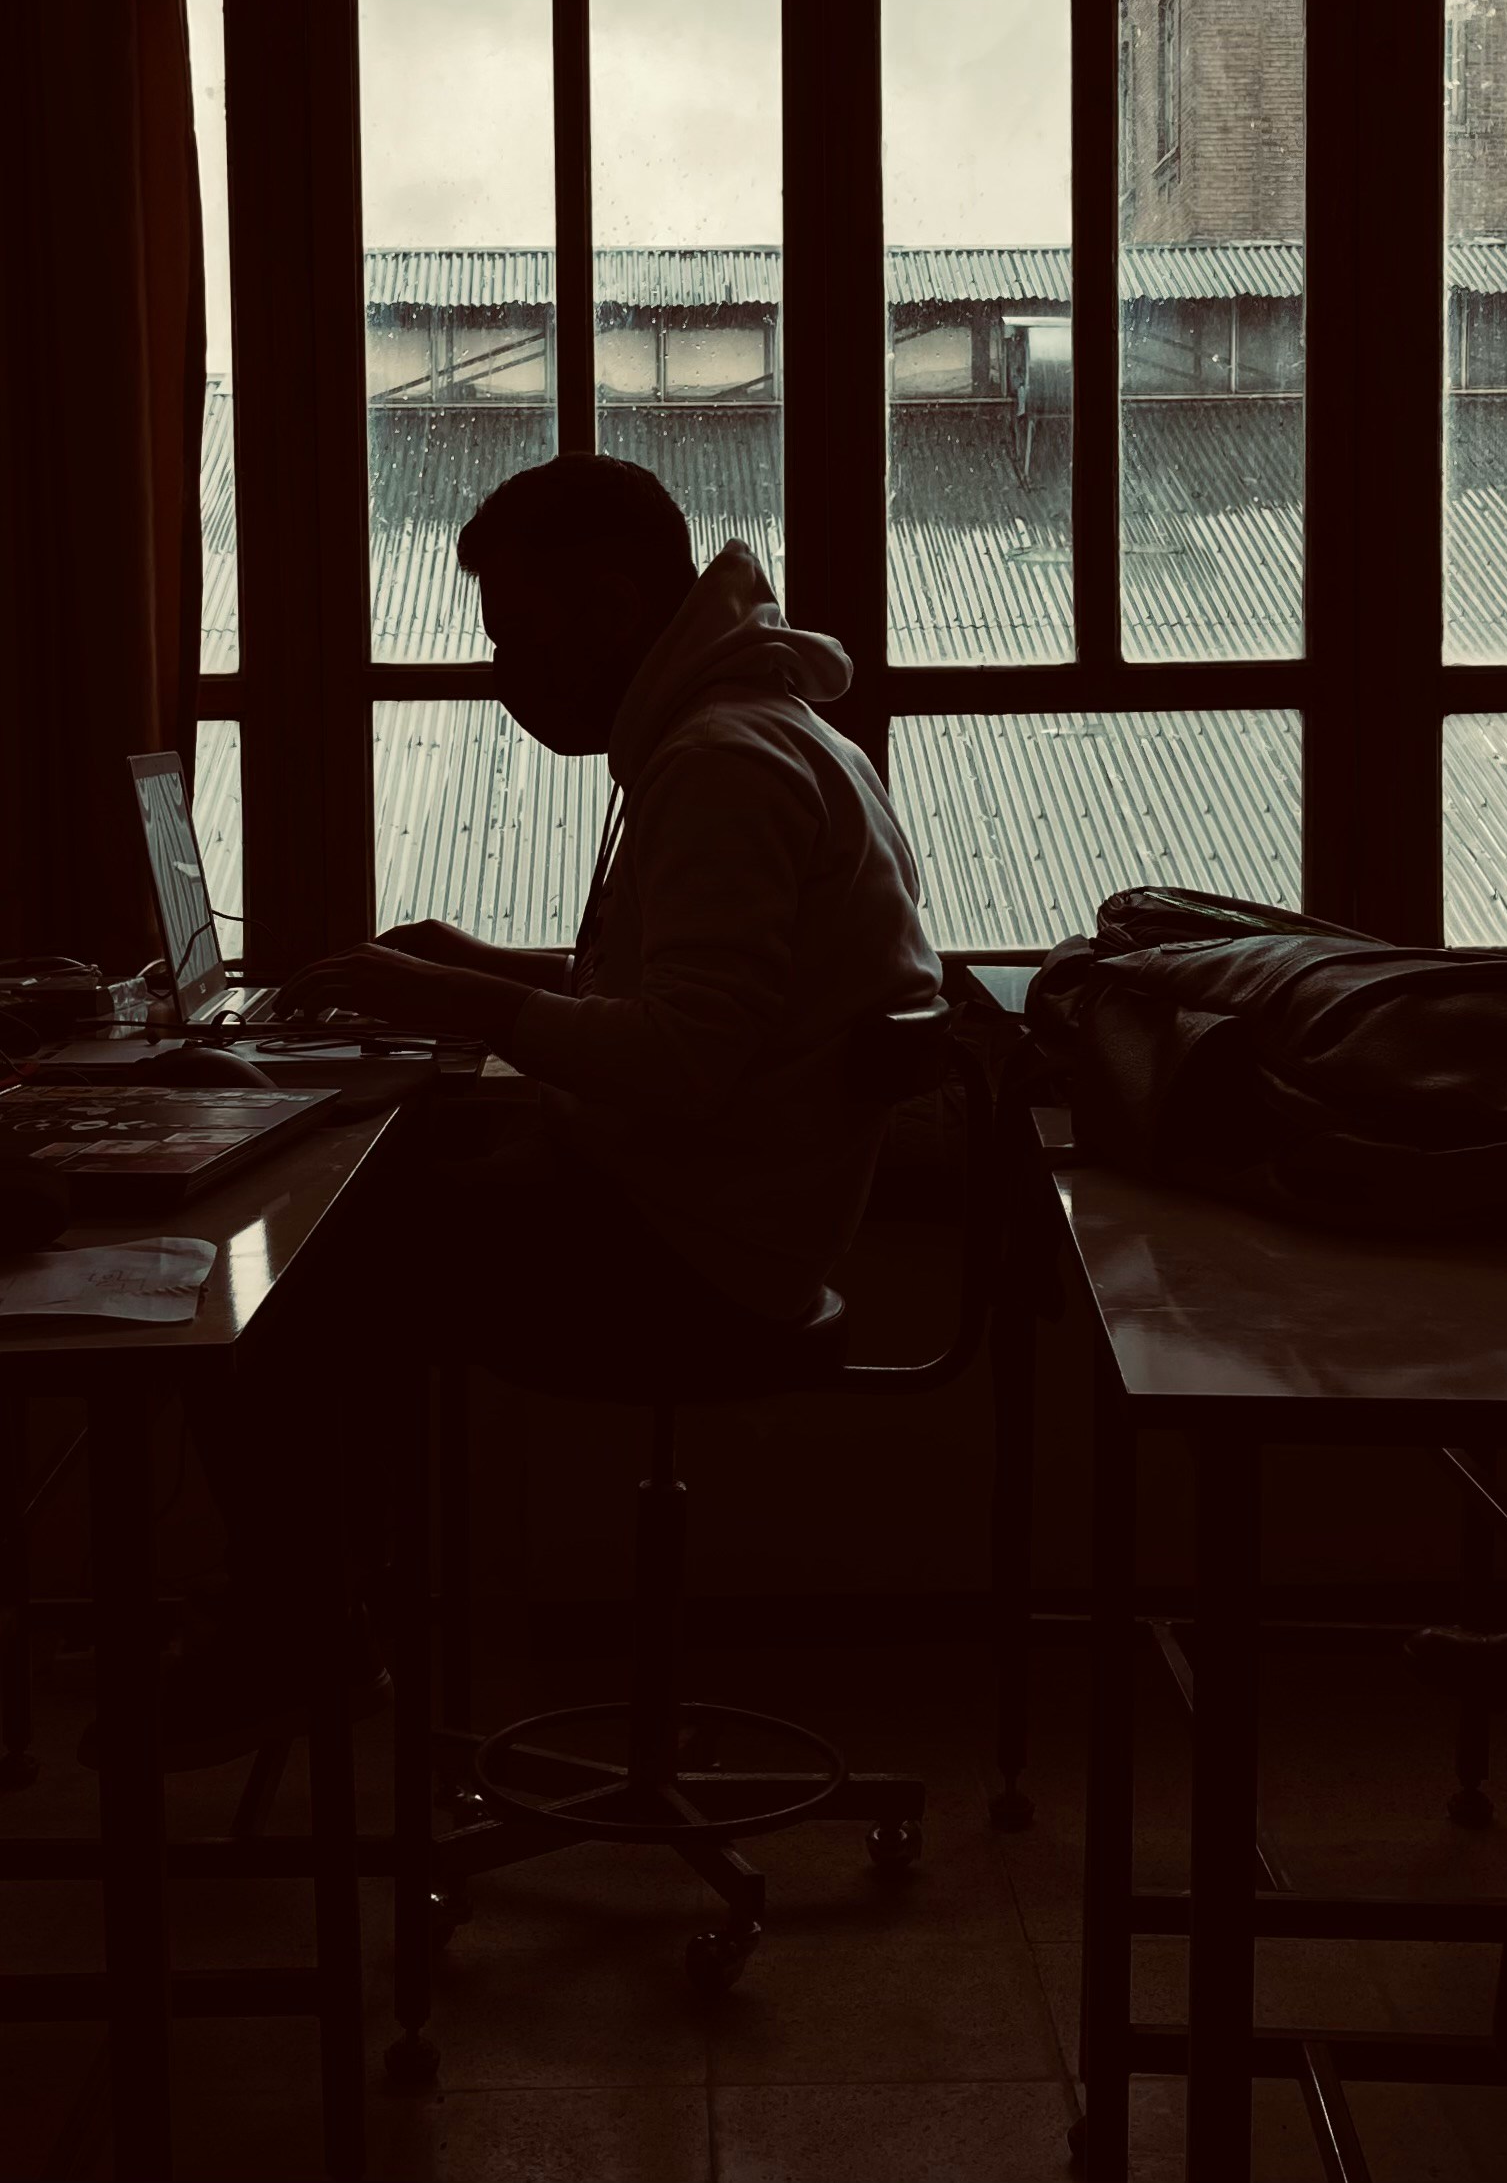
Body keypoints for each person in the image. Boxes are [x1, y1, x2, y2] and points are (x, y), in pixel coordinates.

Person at [148, 459, 944, 1762]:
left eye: (517, 636)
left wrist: (451, 994)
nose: (503, 673)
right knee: (372, 1185)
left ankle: (306, 1625)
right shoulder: (747, 727)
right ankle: (324, 1604)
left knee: (283, 1265)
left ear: (613, 602)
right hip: (713, 1203)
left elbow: (683, 1059)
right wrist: (479, 965)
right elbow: (692, 1004)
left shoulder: (723, 763)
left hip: (696, 1253)